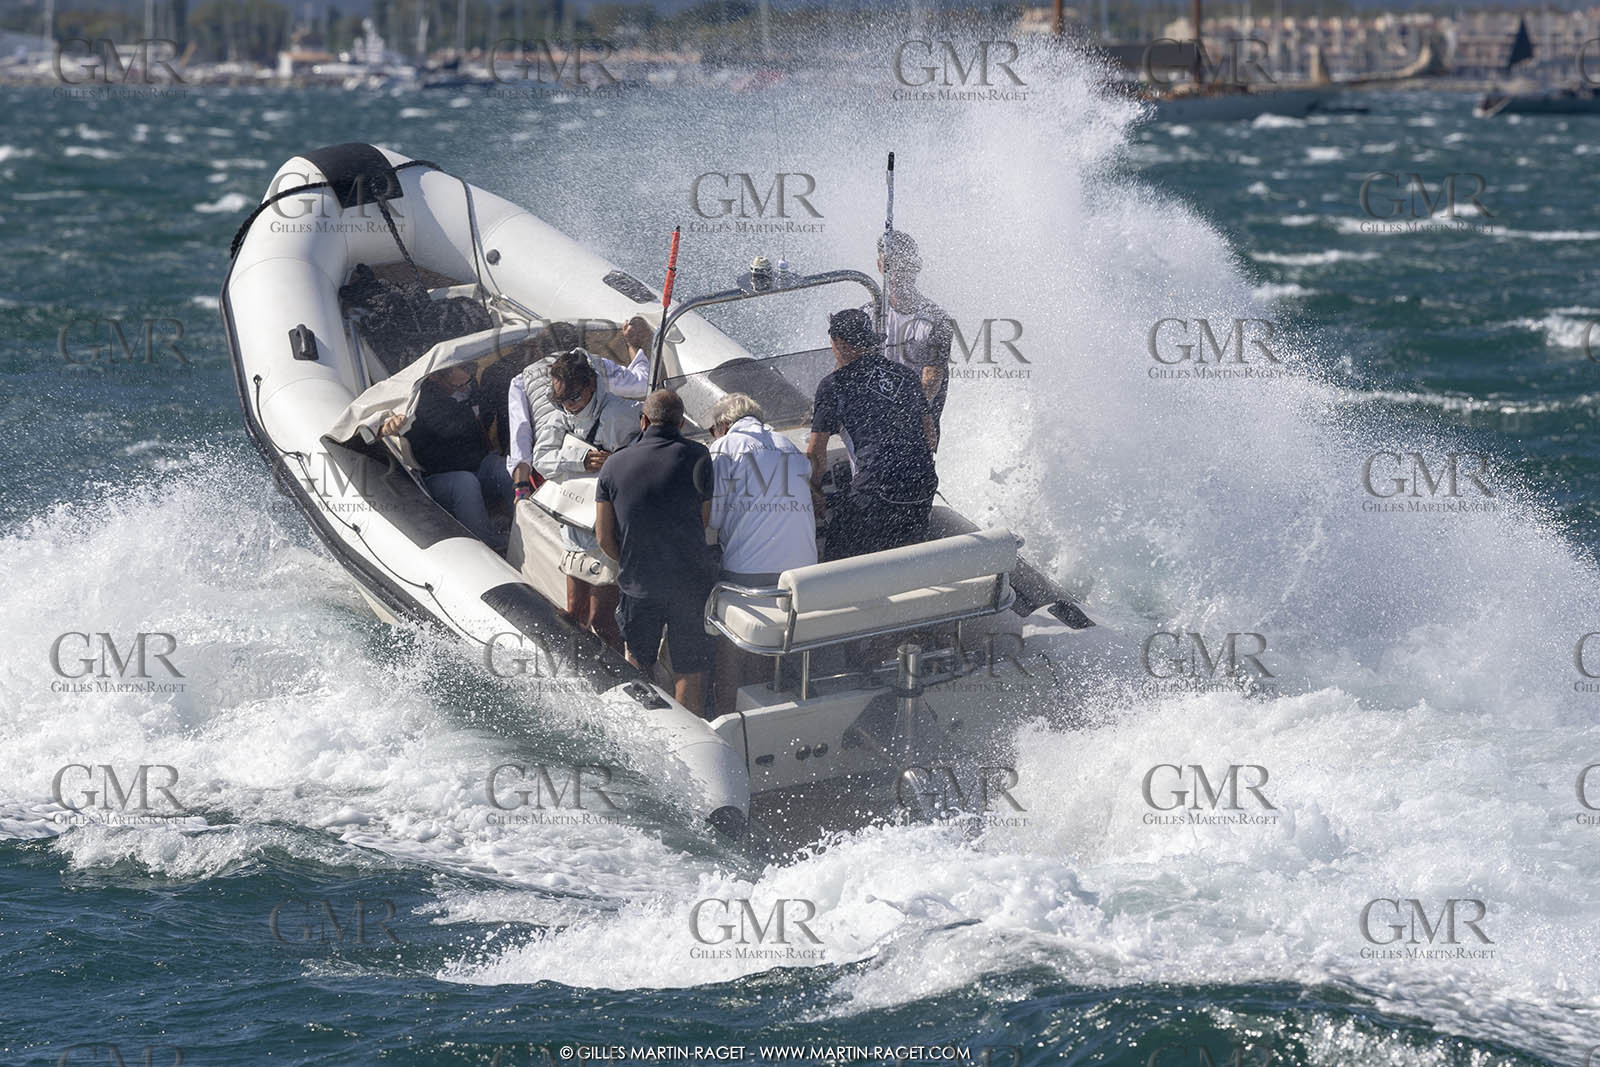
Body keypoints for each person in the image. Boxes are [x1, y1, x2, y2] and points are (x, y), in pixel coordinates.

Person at [594, 389, 716, 716]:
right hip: (689, 583)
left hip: (639, 584)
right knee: (689, 668)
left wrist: (635, 561)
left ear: (644, 421)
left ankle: (649, 733)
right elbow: (702, 519)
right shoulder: (700, 456)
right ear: (680, 422)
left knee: (638, 663)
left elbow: (604, 536)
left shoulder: (613, 464)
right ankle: (689, 735)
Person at [518, 351, 640, 649]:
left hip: (606, 528)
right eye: (559, 400)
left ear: (590, 386)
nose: (567, 406)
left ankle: (628, 669)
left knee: (602, 620)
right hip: (574, 523)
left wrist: (614, 462)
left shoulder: (620, 414)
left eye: (572, 398)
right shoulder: (561, 415)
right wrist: (581, 460)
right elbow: (542, 459)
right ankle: (580, 658)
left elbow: (641, 459)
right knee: (574, 612)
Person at [705, 392, 817, 714]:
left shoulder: (724, 448)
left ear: (722, 426)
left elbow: (713, 518)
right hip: (801, 578)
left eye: (713, 430)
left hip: (748, 577)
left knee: (732, 649)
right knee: (768, 645)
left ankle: (728, 716)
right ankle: (764, 709)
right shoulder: (788, 446)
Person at [806, 308, 939, 560]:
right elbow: (929, 436)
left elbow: (816, 452)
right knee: (906, 558)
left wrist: (815, 493)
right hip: (921, 489)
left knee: (838, 557)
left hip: (876, 493)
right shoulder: (906, 375)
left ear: (841, 345)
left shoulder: (834, 385)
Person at [379, 363, 511, 550]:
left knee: (504, 467)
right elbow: (386, 418)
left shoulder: (469, 391)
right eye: (458, 386)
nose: (465, 389)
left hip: (478, 464)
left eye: (468, 382)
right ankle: (487, 543)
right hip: (441, 477)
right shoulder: (415, 403)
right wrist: (388, 426)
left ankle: (528, 526)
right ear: (435, 378)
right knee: (465, 483)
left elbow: (485, 411)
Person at [876, 229, 953, 451]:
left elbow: (931, 382)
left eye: (903, 265)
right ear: (880, 267)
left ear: (916, 267)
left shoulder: (937, 321)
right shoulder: (869, 316)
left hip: (917, 428)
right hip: (874, 431)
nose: (896, 273)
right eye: (889, 265)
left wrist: (897, 419)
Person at [587, 315, 654, 400]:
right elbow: (643, 384)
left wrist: (631, 343)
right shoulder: (595, 368)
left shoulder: (595, 367)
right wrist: (633, 343)